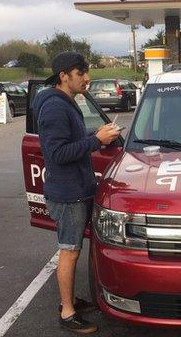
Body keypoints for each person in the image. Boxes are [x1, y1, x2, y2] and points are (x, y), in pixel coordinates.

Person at [32, 52, 121, 334]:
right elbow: (57, 153)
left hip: (77, 189)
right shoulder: (55, 108)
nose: (87, 78)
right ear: (64, 76)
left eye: (87, 72)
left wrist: (97, 134)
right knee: (69, 251)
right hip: (67, 194)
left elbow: (70, 141)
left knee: (75, 248)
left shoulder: (65, 102)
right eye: (81, 73)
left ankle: (70, 300)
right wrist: (96, 140)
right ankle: (67, 312)